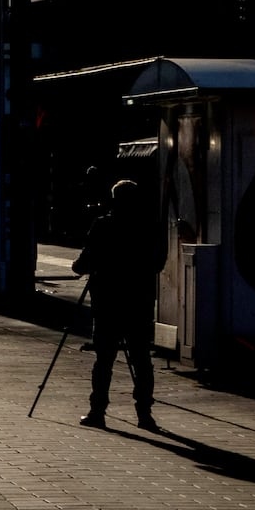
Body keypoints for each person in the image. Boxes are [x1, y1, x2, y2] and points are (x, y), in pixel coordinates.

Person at [72, 179, 166, 431]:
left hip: (108, 302)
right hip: (139, 302)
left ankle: (98, 411)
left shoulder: (103, 225)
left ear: (114, 199)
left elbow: (83, 263)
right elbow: (158, 262)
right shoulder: (150, 227)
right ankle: (144, 414)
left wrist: (86, 267)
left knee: (104, 361)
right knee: (141, 360)